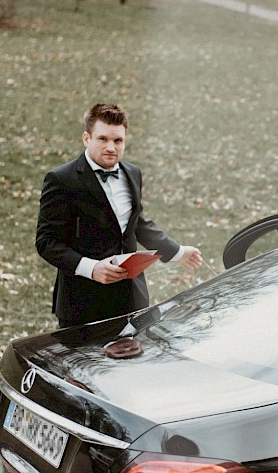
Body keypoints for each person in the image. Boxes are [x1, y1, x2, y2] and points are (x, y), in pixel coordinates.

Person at [36, 103, 203, 328]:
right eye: (102, 139)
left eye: (118, 141)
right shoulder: (62, 179)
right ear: (87, 138)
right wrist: (92, 268)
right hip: (83, 304)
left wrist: (178, 252)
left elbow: (138, 224)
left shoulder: (132, 173)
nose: (111, 147)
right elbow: (47, 242)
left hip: (132, 299)